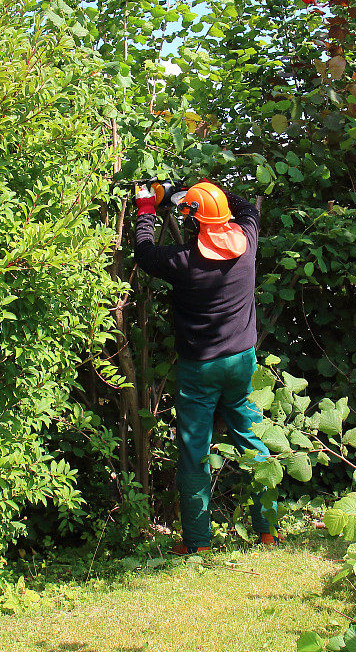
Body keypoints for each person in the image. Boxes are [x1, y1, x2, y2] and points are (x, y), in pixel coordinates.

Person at [133, 179, 279, 555]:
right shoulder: (247, 241)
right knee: (251, 440)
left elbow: (144, 253)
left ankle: (198, 543)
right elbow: (247, 207)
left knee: (194, 452)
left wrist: (147, 208)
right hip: (242, 361)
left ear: (194, 219)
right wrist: (199, 191)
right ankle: (268, 531)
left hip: (200, 369)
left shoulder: (183, 261)